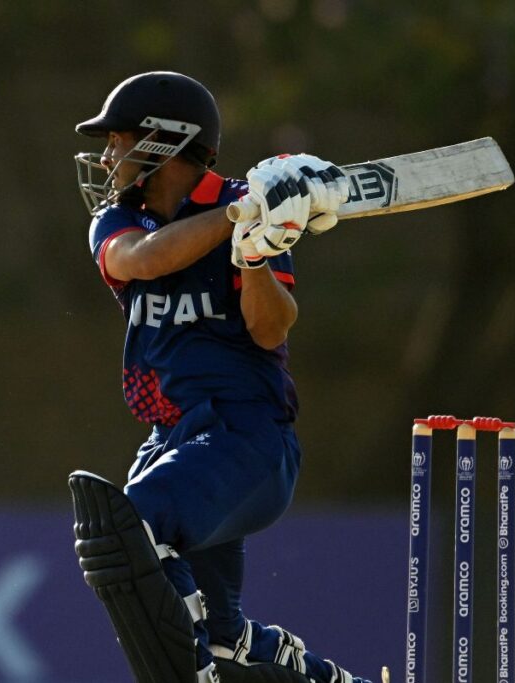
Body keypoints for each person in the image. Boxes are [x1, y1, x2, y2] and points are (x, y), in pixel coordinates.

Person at [70, 71, 370, 683]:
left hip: (247, 440)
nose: (106, 158)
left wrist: (255, 253)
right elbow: (147, 260)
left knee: (134, 525)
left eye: (117, 140)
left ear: (162, 143)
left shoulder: (251, 207)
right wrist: (241, 217)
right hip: (173, 439)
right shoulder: (121, 222)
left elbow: (271, 329)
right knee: (227, 641)